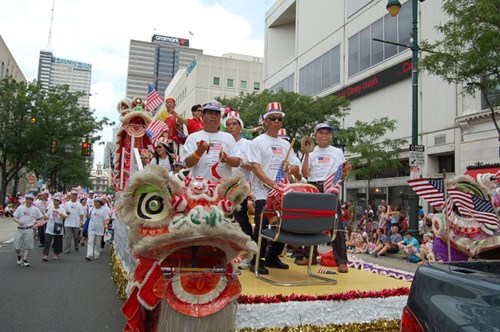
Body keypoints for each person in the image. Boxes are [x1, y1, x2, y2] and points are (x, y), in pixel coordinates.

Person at [248, 102, 301, 275]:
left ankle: (273, 256)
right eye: (273, 118)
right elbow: (255, 167)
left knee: (284, 224)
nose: (276, 121)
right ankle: (257, 260)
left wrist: (290, 169)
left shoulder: (286, 144)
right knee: (264, 225)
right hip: (263, 191)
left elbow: (296, 167)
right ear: (266, 121)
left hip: (282, 192)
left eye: (279, 118)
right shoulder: (257, 142)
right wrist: (270, 182)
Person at [301, 122, 349, 273]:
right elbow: (305, 174)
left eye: (327, 133)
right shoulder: (310, 152)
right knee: (310, 223)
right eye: (320, 133)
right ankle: (310, 256)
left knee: (336, 224)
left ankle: (341, 260)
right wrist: (307, 153)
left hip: (330, 188)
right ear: (315, 136)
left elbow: (343, 170)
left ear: (330, 135)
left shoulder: (337, 152)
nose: (324, 136)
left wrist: (345, 172)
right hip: (314, 186)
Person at [182, 100, 243, 181]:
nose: (213, 116)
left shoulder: (228, 137)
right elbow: (187, 164)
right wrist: (199, 152)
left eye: (216, 114)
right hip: (200, 189)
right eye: (210, 113)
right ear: (202, 117)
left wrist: (227, 159)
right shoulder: (193, 138)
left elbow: (238, 162)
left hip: (222, 188)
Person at [224, 111, 254, 270]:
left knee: (241, 222)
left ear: (240, 126)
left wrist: (237, 162)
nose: (231, 127)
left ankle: (247, 254)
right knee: (226, 222)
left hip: (240, 189)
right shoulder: (223, 142)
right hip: (224, 188)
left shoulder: (247, 144)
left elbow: (253, 165)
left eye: (234, 124)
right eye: (228, 125)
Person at [12, 193, 46, 267]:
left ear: (32, 200)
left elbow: (42, 218)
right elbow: (14, 217)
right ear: (25, 199)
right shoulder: (20, 208)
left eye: (30, 199)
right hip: (20, 229)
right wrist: (18, 221)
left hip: (29, 229)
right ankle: (18, 255)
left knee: (27, 246)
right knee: (17, 246)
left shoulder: (35, 209)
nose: (28, 201)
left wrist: (36, 225)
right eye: (27, 199)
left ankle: (25, 259)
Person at [43, 195, 66, 261]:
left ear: (59, 202)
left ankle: (56, 254)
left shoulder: (62, 209)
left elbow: (64, 217)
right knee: (47, 242)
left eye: (57, 201)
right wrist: (46, 217)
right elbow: (45, 216)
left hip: (58, 228)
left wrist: (59, 213)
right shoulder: (50, 209)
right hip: (49, 228)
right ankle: (45, 255)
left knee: (57, 242)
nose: (55, 202)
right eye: (54, 201)